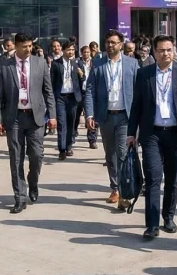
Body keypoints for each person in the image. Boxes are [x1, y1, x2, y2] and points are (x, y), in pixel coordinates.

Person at [127, 35, 177, 239]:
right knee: (152, 178)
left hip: (176, 134)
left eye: (169, 49)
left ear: (173, 50)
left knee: (172, 179)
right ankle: (151, 224)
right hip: (152, 134)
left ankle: (168, 217)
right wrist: (132, 133)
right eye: (161, 50)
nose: (165, 53)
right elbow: (136, 106)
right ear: (154, 52)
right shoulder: (144, 74)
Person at [0, 33, 55, 213]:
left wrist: (52, 115)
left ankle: (32, 182)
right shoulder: (4, 66)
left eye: (30, 46)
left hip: (35, 117)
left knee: (37, 155)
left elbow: (48, 91)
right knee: (16, 158)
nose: (29, 49)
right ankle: (20, 197)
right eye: (25, 46)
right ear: (16, 46)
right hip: (14, 118)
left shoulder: (40, 63)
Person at [85, 31, 139, 211]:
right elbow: (90, 90)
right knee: (110, 154)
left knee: (123, 153)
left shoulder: (132, 64)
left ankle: (124, 193)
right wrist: (89, 114)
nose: (110, 45)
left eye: (114, 42)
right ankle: (114, 188)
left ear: (121, 44)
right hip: (106, 116)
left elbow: (138, 92)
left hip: (125, 116)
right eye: (107, 42)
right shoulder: (98, 64)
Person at [51, 41, 84, 160]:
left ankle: (69, 145)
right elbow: (52, 81)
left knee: (71, 123)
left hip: (73, 96)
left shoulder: (77, 63)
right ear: (63, 50)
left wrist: (81, 75)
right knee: (62, 123)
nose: (71, 52)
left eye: (72, 50)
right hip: (60, 96)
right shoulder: (56, 64)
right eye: (68, 50)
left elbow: (82, 79)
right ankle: (62, 149)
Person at [77, 45, 97, 148]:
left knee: (91, 115)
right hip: (81, 92)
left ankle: (92, 139)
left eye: (88, 52)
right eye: (84, 52)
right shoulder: (77, 63)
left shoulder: (95, 63)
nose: (86, 54)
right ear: (81, 53)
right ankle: (72, 136)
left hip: (91, 92)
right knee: (76, 116)